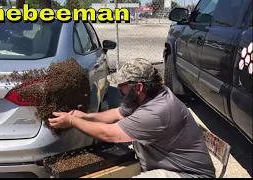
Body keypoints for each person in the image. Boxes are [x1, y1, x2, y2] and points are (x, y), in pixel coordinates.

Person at [48, 58, 216, 178]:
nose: (119, 89)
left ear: (139, 86)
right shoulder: (150, 93)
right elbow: (115, 114)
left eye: (122, 86)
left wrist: (72, 121)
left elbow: (110, 134)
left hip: (187, 174)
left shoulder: (157, 111)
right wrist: (85, 117)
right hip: (164, 164)